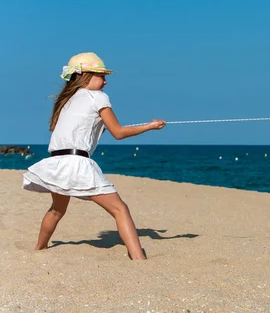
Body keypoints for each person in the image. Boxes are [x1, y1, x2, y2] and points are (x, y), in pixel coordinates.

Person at [23, 52, 166, 260]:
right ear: (86, 75)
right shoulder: (98, 97)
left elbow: (90, 128)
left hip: (56, 163)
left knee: (56, 211)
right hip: (77, 163)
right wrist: (150, 126)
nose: (106, 81)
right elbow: (118, 133)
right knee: (120, 209)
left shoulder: (67, 100)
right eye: (101, 76)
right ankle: (138, 259)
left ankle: (39, 250)